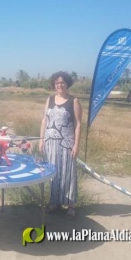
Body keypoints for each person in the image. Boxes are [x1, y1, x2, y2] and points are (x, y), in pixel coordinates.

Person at [39, 71, 82, 219]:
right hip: (50, 143)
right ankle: (54, 202)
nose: (59, 85)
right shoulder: (50, 99)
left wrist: (76, 144)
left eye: (62, 82)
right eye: (57, 83)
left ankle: (71, 205)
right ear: (54, 84)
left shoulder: (73, 101)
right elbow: (44, 120)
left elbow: (78, 124)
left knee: (68, 173)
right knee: (52, 173)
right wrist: (41, 139)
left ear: (67, 84)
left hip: (67, 143)